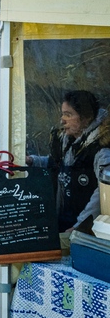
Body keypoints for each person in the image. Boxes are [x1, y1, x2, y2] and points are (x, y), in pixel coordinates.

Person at [27, 90, 108, 233]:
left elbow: (104, 191)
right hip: (65, 221)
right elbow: (56, 164)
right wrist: (31, 161)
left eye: (68, 115)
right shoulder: (69, 141)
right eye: (62, 114)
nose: (62, 120)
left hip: (88, 230)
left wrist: (80, 226)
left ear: (86, 117)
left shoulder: (101, 149)